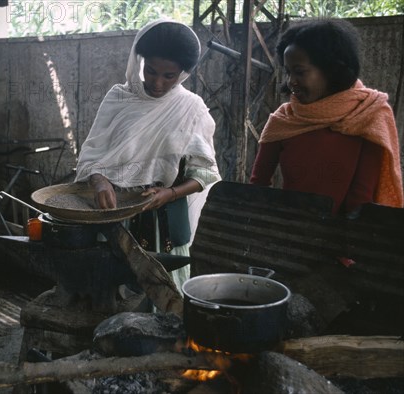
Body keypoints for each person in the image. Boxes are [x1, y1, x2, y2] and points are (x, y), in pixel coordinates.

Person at [75, 19, 222, 290]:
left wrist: (170, 193)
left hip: (163, 222)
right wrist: (100, 181)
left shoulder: (191, 109)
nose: (157, 83)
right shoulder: (118, 98)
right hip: (114, 215)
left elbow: (204, 173)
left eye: (169, 76)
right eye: (151, 71)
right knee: (111, 289)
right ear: (139, 61)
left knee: (163, 294)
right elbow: (91, 154)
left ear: (184, 73)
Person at [250, 19, 403, 216]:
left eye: (300, 72)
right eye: (288, 72)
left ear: (331, 69)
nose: (291, 82)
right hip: (289, 230)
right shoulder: (283, 120)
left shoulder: (369, 114)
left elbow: (361, 198)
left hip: (345, 236)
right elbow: (257, 186)